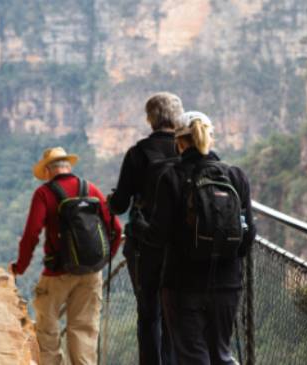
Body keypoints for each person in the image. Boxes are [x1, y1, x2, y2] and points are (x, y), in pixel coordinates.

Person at [144, 111, 256, 365]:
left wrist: (150, 284)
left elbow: (157, 238)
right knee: (222, 354)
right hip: (227, 283)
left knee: (193, 357)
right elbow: (249, 236)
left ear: (179, 143)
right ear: (210, 139)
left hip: (182, 284)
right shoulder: (235, 176)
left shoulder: (171, 178)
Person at [9, 147, 122, 365]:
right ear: (68, 167)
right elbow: (115, 228)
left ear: (49, 171)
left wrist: (20, 267)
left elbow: (31, 234)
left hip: (56, 274)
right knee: (84, 330)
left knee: (48, 330)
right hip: (91, 272)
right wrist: (104, 260)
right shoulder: (90, 188)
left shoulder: (44, 194)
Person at [108, 92, 184, 365]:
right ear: (177, 117)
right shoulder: (185, 149)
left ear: (150, 119)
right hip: (182, 246)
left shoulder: (137, 154)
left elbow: (119, 205)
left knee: (149, 312)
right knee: (175, 311)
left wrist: (111, 198)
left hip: (145, 246)